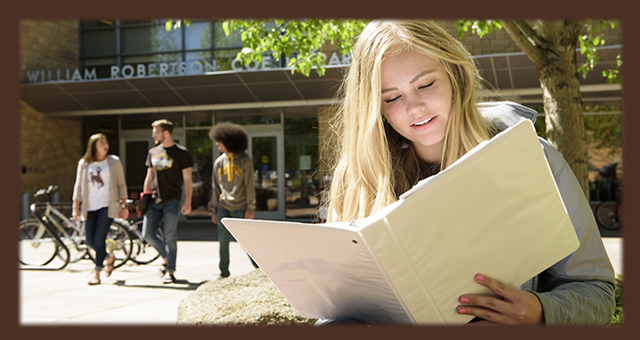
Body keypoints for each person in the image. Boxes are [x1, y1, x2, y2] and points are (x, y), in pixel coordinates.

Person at [323, 20, 616, 325]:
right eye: (392, 98)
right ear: (375, 107)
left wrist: (541, 312)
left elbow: (597, 292)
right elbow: (336, 311)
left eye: (425, 84)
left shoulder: (533, 157)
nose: (415, 107)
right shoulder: (357, 180)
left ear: (455, 76)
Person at [72, 133, 128, 285]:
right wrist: (75, 207)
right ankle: (108, 257)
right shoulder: (84, 163)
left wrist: (124, 205)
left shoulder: (113, 162)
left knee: (99, 238)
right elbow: (78, 186)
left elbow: (121, 184)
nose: (105, 144)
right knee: (89, 240)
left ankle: (97, 273)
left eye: (106, 141)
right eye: (101, 142)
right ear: (93, 146)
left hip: (107, 206)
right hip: (89, 207)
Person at [142, 119, 193, 284]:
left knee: (170, 235)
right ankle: (165, 257)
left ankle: (170, 270)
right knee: (147, 234)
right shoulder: (153, 152)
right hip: (153, 201)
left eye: (156, 132)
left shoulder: (182, 153)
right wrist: (144, 196)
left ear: (166, 133)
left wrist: (188, 202)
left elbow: (188, 180)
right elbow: (149, 177)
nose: (153, 135)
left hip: (173, 200)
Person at [209, 122, 259, 278]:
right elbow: (215, 187)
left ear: (230, 141)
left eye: (220, 141)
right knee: (223, 243)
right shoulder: (219, 162)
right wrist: (214, 209)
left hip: (241, 207)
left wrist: (250, 207)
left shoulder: (245, 161)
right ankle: (223, 273)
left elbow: (249, 185)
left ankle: (259, 270)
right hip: (223, 207)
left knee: (245, 241)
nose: (217, 144)